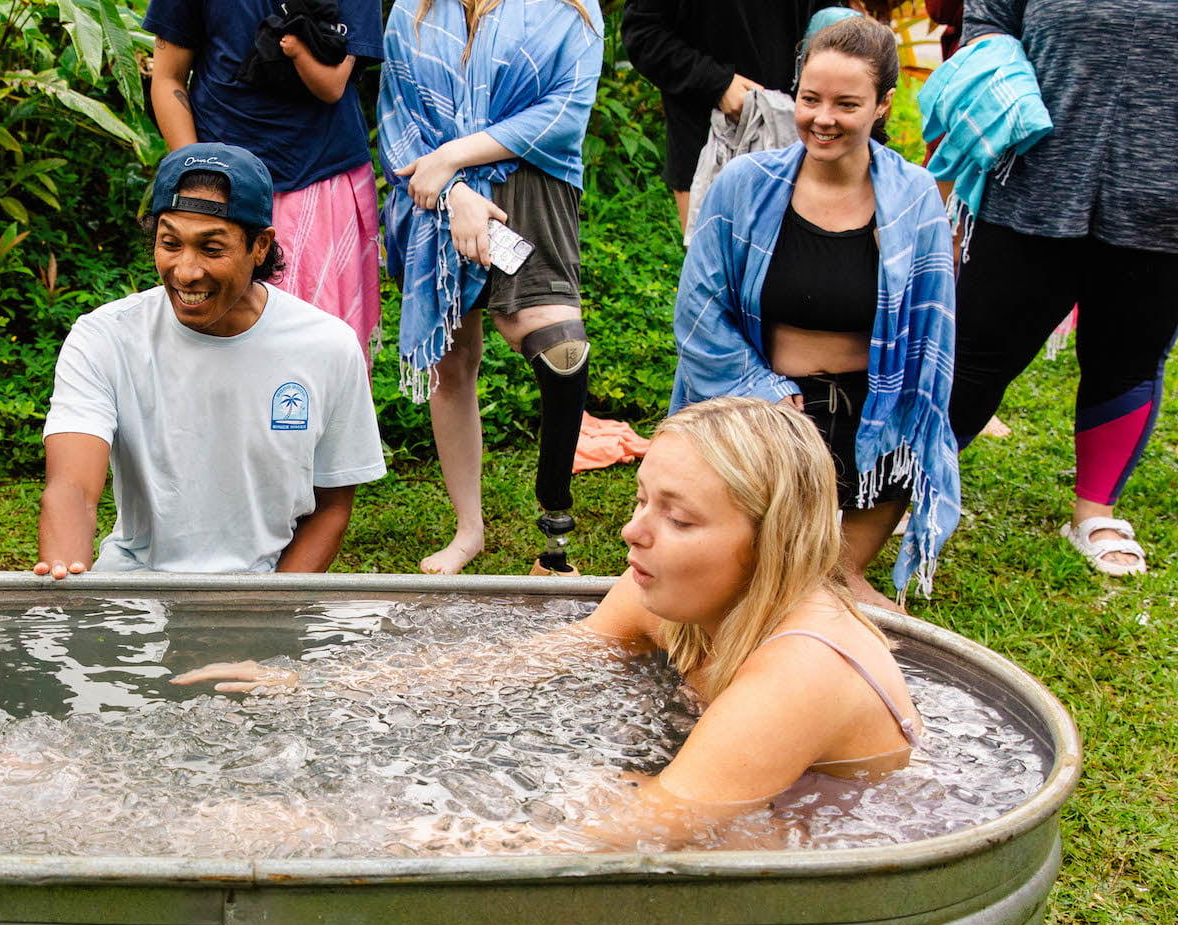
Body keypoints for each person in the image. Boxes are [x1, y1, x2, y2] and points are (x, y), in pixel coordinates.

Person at [175, 395, 923, 849]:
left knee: (726, 837)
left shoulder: (803, 670)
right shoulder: (676, 599)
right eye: (640, 499)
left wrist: (337, 833)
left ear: (768, 547)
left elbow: (637, 827)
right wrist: (315, 684)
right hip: (739, 775)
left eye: (678, 517)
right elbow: (517, 667)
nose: (634, 532)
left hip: (847, 825)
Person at [671, 16, 959, 610]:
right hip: (762, 407)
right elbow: (698, 310)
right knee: (739, 592)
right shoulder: (744, 185)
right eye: (810, 98)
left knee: (832, 598)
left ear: (882, 105)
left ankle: (845, 570)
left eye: (846, 103)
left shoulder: (915, 200)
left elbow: (931, 334)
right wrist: (759, 389)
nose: (823, 118)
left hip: (869, 412)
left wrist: (911, 413)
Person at [33, 143, 386, 578]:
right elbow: (72, 488)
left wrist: (265, 614)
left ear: (260, 246)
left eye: (211, 249)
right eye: (170, 243)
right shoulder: (105, 338)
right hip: (135, 589)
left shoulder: (327, 346)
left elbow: (331, 506)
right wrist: (67, 577)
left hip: (263, 590)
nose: (185, 271)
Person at [944, 0, 1178, 577]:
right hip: (1032, 176)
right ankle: (912, 481)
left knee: (1127, 355)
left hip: (1163, 198)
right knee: (976, 345)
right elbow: (988, 21)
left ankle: (1094, 513)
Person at [378, 0, 604, 576]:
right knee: (452, 364)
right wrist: (453, 191)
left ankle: (555, 514)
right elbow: (398, 117)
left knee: (561, 351)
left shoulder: (571, 8)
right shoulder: (415, 8)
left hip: (530, 183)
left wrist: (456, 154)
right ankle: (468, 530)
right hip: (434, 198)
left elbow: (564, 113)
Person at [145, 0, 384, 360]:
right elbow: (167, 77)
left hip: (323, 177)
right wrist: (198, 178)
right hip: (219, 188)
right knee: (212, 343)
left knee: (321, 354)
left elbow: (334, 83)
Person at [621, 0, 825, 231]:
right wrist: (717, 83)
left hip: (801, 137)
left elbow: (828, 22)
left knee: (797, 261)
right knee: (714, 263)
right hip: (708, 140)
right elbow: (642, 33)